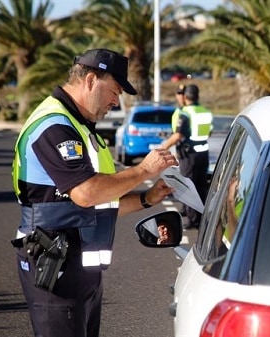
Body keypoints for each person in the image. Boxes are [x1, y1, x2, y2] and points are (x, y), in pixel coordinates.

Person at [11, 48, 178, 337]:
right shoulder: (55, 127)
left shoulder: (78, 126)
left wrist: (145, 199)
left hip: (77, 268)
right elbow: (86, 194)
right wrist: (143, 171)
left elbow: (96, 204)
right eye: (114, 91)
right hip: (56, 270)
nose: (116, 101)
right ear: (90, 80)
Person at [162, 84, 213, 229]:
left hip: (189, 154)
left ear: (185, 97)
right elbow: (209, 132)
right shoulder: (205, 112)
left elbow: (178, 135)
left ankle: (193, 220)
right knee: (201, 186)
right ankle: (201, 218)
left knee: (188, 186)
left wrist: (162, 148)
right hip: (203, 153)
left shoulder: (185, 113)